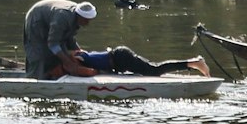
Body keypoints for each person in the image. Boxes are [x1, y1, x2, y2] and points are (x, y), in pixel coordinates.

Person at [23, 0, 98, 79]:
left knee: (63, 53)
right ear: (79, 16)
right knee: (39, 53)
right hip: (36, 20)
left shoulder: (75, 17)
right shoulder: (62, 17)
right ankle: (34, 79)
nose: (87, 24)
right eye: (86, 20)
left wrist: (79, 52)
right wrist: (68, 62)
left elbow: (69, 38)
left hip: (51, 19)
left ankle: (52, 75)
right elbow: (53, 44)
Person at [77, 46, 209, 77]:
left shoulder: (82, 58)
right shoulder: (82, 56)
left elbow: (87, 67)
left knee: (154, 70)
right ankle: (193, 63)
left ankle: (194, 62)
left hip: (120, 58)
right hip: (119, 57)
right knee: (153, 69)